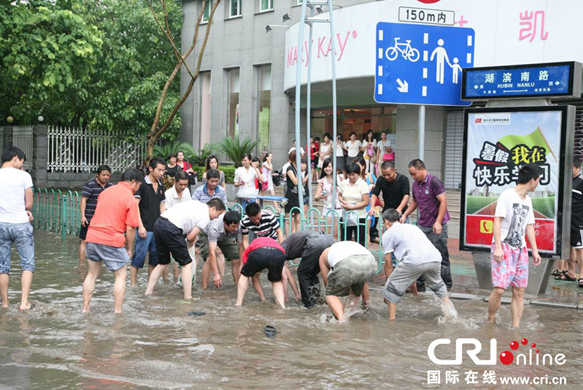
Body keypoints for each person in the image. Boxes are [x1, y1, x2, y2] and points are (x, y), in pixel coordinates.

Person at [488, 163, 542, 328]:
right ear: (532, 180)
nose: (538, 183)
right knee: (499, 289)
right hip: (504, 246)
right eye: (538, 180)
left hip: (521, 249)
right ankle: (491, 319)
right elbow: (497, 220)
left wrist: (535, 250)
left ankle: (516, 327)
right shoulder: (507, 195)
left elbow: (529, 226)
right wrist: (498, 246)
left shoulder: (528, 200)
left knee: (519, 290)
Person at [82, 168, 142, 313]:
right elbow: (130, 229)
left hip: (92, 236)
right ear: (133, 182)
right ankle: (118, 311)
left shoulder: (105, 192)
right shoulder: (130, 199)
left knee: (91, 274)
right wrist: (129, 249)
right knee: (121, 275)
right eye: (138, 185)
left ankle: (85, 309)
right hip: (111, 239)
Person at [145, 198, 226, 299]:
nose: (216, 218)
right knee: (187, 264)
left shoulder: (197, 204)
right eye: (218, 214)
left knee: (163, 263)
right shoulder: (206, 216)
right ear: (213, 209)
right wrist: (189, 244)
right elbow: (190, 237)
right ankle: (188, 297)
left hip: (159, 223)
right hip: (171, 227)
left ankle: (148, 293)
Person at [381, 209, 453, 321]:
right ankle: (451, 313)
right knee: (438, 285)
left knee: (391, 289)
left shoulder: (388, 234)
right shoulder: (412, 227)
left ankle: (391, 321)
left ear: (386, 222)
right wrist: (412, 281)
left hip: (414, 260)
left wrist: (388, 283)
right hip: (434, 258)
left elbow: (388, 264)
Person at [400, 159, 452, 290]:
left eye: (414, 173)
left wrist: (438, 222)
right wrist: (405, 214)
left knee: (440, 254)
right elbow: (415, 201)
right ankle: (419, 283)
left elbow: (443, 202)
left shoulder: (434, 181)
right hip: (423, 224)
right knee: (419, 254)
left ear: (422, 169)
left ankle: (446, 284)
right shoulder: (415, 184)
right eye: (411, 174)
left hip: (436, 224)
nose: (413, 177)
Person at [240, 202, 301, 301]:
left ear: (260, 212)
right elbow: (245, 240)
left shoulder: (269, 215)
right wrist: (249, 254)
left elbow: (279, 232)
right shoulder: (244, 222)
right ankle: (263, 299)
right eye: (254, 219)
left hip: (275, 242)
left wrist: (282, 251)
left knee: (284, 272)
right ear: (248, 217)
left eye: (258, 218)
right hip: (260, 245)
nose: (257, 221)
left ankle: (295, 295)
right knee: (255, 274)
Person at [0, 147, 35, 311]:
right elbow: (28, 204)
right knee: (27, 265)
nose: (22, 165)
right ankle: (23, 303)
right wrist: (25, 210)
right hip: (21, 223)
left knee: (2, 266)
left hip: (1, 224)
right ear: (15, 158)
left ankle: (5, 303)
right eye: (22, 162)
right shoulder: (24, 176)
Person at [319, 241, 377, 322]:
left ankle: (342, 319)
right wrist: (365, 303)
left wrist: (332, 302)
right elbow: (363, 282)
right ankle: (354, 311)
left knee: (331, 294)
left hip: (345, 262)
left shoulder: (323, 255)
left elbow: (327, 283)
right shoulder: (346, 245)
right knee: (356, 291)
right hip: (370, 261)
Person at [131, 158, 166, 287]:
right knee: (138, 258)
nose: (161, 173)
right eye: (159, 170)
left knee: (154, 260)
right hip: (144, 227)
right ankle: (133, 285)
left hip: (157, 229)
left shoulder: (161, 185)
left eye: (163, 170)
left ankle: (150, 285)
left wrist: (164, 224)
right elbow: (135, 206)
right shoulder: (142, 185)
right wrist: (140, 226)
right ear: (151, 169)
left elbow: (162, 205)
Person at [281, 231, 334, 308]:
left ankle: (308, 304)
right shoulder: (287, 244)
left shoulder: (280, 250)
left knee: (303, 273)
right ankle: (318, 298)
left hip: (315, 243)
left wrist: (285, 297)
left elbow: (285, 277)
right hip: (328, 241)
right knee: (311, 273)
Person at [236, 237, 287, 308]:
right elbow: (284, 276)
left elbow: (244, 258)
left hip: (259, 252)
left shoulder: (254, 243)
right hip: (278, 254)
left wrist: (241, 268)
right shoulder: (275, 243)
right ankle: (282, 306)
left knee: (245, 275)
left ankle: (239, 303)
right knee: (276, 281)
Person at [200, 210, 242, 289]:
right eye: (233, 226)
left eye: (237, 226)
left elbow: (241, 245)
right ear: (225, 224)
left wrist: (242, 264)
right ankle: (204, 288)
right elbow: (212, 252)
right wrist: (216, 274)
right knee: (209, 259)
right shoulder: (214, 226)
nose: (236, 229)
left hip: (226, 236)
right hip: (207, 235)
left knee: (236, 259)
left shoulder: (239, 227)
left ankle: (238, 286)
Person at [79, 165, 113, 263]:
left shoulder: (110, 186)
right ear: (98, 175)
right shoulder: (90, 185)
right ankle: (81, 263)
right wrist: (82, 216)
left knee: (102, 242)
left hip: (104, 219)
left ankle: (99, 263)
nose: (106, 177)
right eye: (103, 175)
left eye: (108, 175)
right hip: (89, 218)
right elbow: (83, 200)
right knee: (84, 240)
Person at [339, 163, 369, 246]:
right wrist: (343, 201)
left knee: (359, 241)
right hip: (346, 215)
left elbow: (366, 202)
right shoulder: (344, 183)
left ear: (358, 174)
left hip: (359, 216)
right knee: (345, 240)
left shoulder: (363, 184)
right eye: (349, 174)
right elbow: (340, 195)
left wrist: (352, 207)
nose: (351, 177)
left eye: (353, 174)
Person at [353, 156, 379, 243]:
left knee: (366, 232)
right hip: (356, 206)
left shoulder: (369, 176)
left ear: (363, 166)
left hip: (368, 206)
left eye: (358, 165)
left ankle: (366, 252)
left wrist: (373, 186)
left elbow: (379, 186)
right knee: (357, 232)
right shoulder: (353, 177)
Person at [315, 158, 342, 239]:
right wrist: (320, 196)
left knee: (336, 233)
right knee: (328, 233)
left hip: (338, 208)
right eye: (326, 167)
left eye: (330, 166)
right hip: (328, 208)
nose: (328, 169)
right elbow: (316, 197)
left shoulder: (340, 178)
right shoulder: (322, 181)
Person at [285, 150, 309, 234]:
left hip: (298, 195)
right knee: (288, 219)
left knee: (298, 219)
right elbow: (295, 182)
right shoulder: (290, 168)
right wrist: (305, 178)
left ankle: (297, 236)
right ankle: (288, 238)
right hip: (291, 196)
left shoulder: (297, 168)